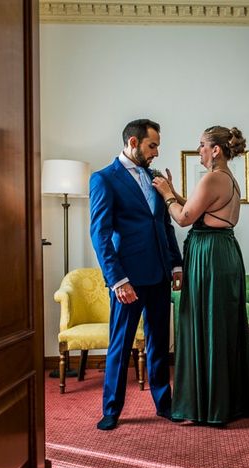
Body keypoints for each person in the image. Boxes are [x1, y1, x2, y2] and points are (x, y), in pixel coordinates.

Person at [152, 125, 249, 426]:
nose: (198, 150)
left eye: (201, 145)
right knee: (220, 324)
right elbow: (199, 208)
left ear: (216, 149)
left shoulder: (213, 178)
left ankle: (209, 406)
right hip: (223, 251)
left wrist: (164, 195)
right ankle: (225, 402)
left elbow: (185, 219)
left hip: (209, 255)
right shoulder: (227, 179)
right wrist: (173, 192)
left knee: (206, 323)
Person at [89, 119, 183, 430]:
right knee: (121, 343)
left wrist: (176, 264)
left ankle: (164, 404)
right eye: (151, 145)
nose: (156, 152)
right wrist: (117, 279)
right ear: (133, 142)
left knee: (159, 341)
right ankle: (111, 410)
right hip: (127, 279)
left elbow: (164, 224)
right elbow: (99, 234)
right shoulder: (104, 179)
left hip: (159, 273)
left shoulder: (155, 177)